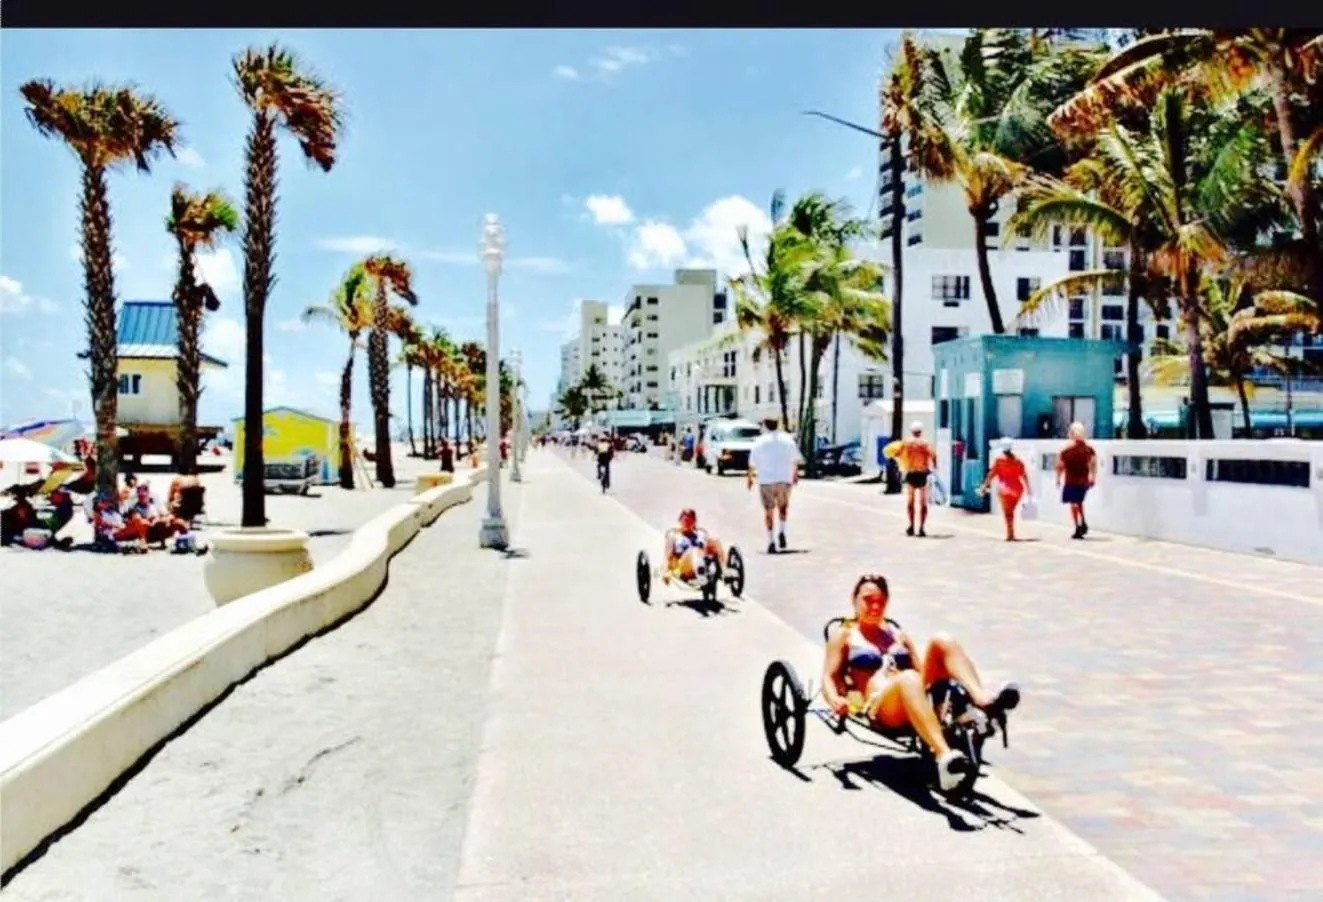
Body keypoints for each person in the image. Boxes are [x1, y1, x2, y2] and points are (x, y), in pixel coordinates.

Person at [821, 574, 1021, 793]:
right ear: (854, 600)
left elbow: (921, 671)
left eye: (881, 600)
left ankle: (984, 704)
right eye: (868, 600)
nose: (875, 606)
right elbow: (828, 678)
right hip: (881, 704)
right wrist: (835, 700)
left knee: (942, 640)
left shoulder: (897, 634)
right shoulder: (844, 635)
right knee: (908, 678)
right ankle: (945, 756)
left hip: (913, 692)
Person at [746, 416, 801, 554]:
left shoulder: (759, 442)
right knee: (783, 507)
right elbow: (795, 459)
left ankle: (771, 541)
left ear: (765, 425)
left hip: (766, 481)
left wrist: (750, 477)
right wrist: (794, 473)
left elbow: (752, 463)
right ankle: (782, 531)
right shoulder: (788, 440)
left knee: (768, 511)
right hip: (784, 479)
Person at [978, 438, 1032, 542]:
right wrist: (1029, 488)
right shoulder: (1018, 461)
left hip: (1004, 489)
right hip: (1017, 489)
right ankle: (1011, 533)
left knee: (1007, 512)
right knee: (1011, 511)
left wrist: (984, 486)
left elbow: (991, 475)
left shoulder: (999, 461)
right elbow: (1024, 475)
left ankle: (1010, 534)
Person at [662, 507, 727, 585]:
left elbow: (709, 547)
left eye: (690, 521)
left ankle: (723, 570)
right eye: (685, 521)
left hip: (703, 560)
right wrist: (666, 572)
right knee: (693, 550)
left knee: (715, 540)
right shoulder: (674, 536)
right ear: (680, 521)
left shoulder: (700, 534)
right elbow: (667, 556)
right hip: (684, 566)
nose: (687, 524)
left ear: (694, 522)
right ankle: (701, 573)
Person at [1056, 422, 1097, 539]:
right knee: (1079, 501)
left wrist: (1058, 478)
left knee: (1074, 503)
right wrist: (1093, 478)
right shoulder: (1089, 449)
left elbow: (1060, 466)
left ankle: (1078, 526)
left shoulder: (1066, 450)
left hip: (1071, 480)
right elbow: (1093, 464)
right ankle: (1082, 521)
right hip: (1083, 481)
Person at [897, 421, 937, 537]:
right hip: (922, 473)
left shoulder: (906, 443)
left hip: (911, 473)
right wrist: (934, 467)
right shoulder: (925, 443)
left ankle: (911, 526)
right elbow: (933, 455)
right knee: (923, 502)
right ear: (921, 431)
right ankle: (921, 528)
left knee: (910, 501)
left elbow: (898, 454)